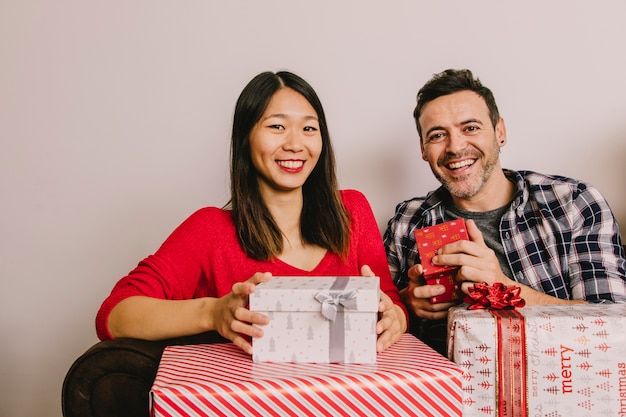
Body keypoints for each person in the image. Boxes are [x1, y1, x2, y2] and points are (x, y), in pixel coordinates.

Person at [96, 70, 407, 355]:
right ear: (245, 138)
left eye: (309, 128)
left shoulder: (352, 211)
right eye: (277, 126)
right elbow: (115, 316)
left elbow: (391, 303)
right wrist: (213, 313)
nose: (296, 143)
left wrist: (395, 318)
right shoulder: (210, 230)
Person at [384, 68, 626, 355]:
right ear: (423, 149)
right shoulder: (407, 220)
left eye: (470, 128)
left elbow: (614, 325)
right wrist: (407, 305)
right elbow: (379, 326)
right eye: (438, 135)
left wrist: (505, 288)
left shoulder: (573, 203)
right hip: (445, 393)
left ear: (500, 132)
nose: (456, 146)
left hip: (556, 388)